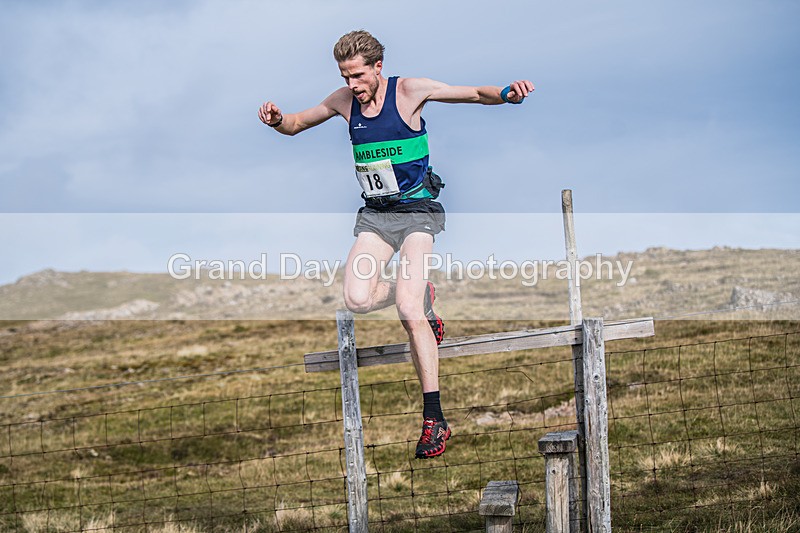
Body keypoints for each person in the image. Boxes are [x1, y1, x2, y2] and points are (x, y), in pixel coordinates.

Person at [258, 30, 533, 459]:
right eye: (346, 76)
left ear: (377, 67)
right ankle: (423, 296)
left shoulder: (408, 92)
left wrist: (506, 93)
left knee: (407, 310)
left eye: (358, 75)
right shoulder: (342, 102)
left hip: (418, 211)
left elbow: (474, 94)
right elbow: (295, 124)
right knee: (356, 297)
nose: (353, 84)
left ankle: (434, 418)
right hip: (377, 213)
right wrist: (276, 119)